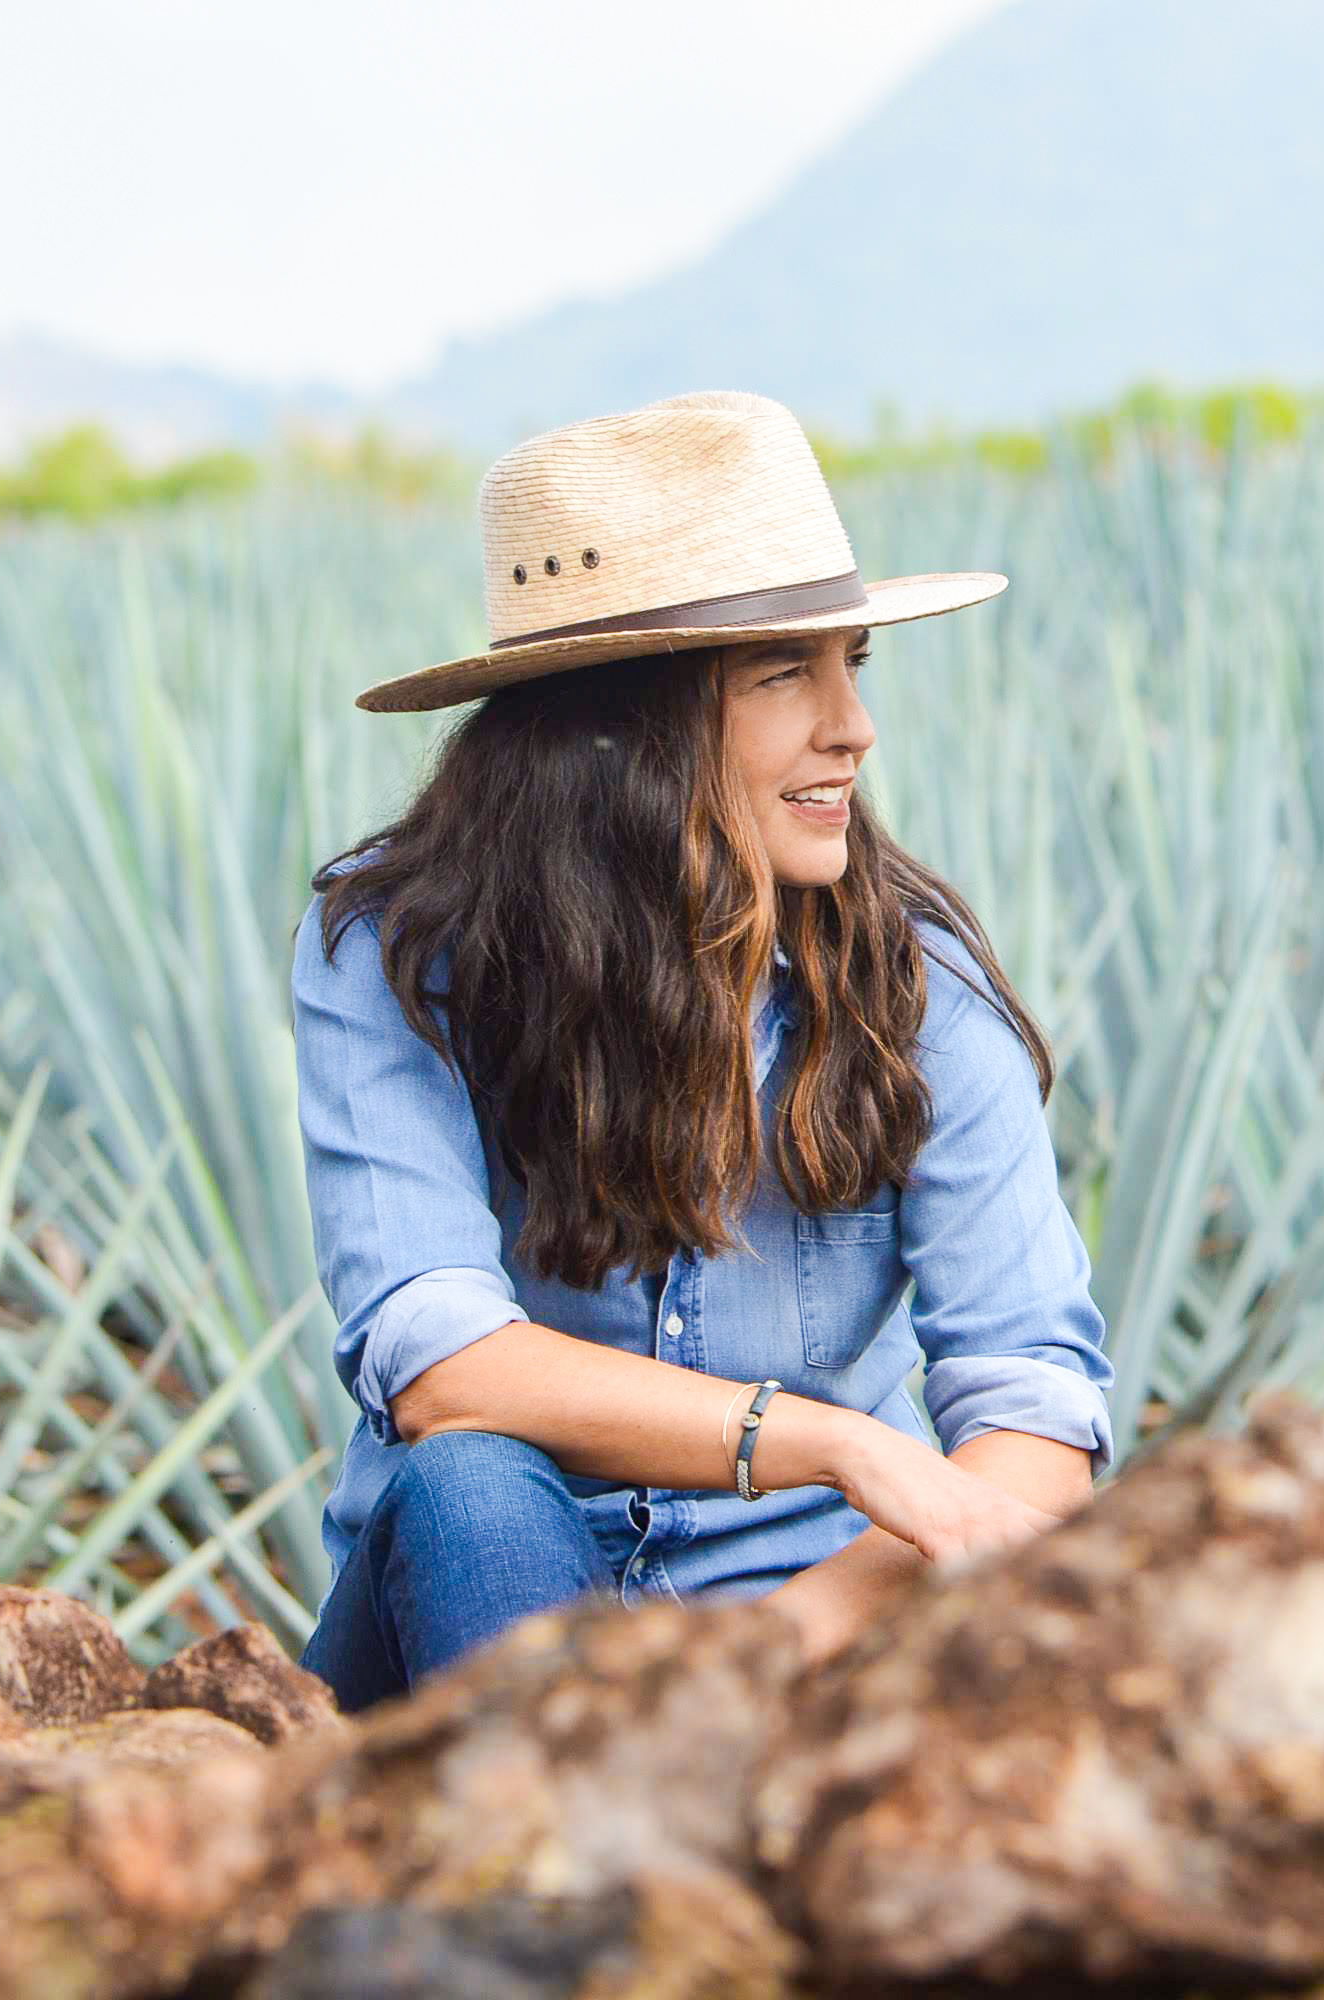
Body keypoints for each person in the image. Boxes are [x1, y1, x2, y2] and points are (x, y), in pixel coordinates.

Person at [291, 391, 1115, 1713]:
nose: (853, 727)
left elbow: (1033, 1408)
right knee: (469, 1484)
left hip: (808, 1631)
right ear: (617, 726)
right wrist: (835, 1443)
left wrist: (760, 1657)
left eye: (853, 664)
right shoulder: (398, 954)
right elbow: (445, 1368)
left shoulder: (917, 987)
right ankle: (551, 1843)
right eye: (786, 675)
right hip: (465, 1612)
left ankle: (568, 1845)